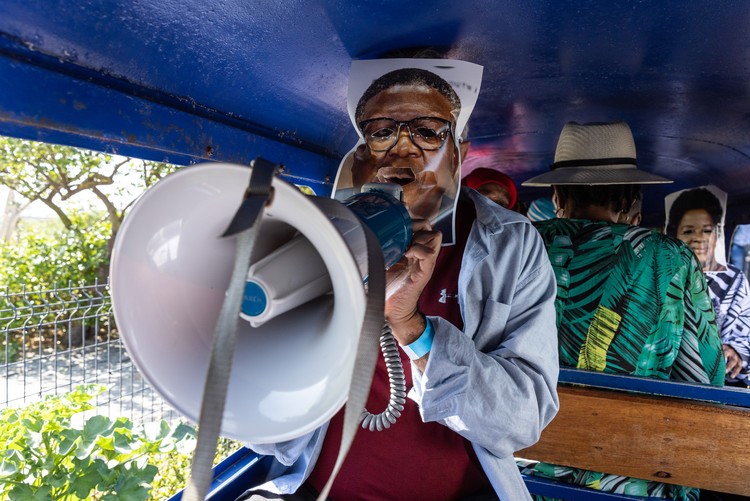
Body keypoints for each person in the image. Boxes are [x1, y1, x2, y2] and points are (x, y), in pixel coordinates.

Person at [240, 59, 560, 501]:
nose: (402, 150)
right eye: (381, 132)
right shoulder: (315, 235)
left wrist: (412, 328)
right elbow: (260, 430)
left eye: (428, 132)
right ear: (360, 154)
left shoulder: (510, 244)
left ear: (460, 151)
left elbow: (522, 422)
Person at [519, 121, 725, 500]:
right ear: (633, 198)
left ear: (555, 194)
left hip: (524, 471)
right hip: (630, 472)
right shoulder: (668, 257)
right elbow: (706, 376)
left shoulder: (519, 245)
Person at [665, 187, 750, 385]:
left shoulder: (733, 280)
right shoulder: (659, 274)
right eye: (688, 231)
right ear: (673, 234)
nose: (698, 238)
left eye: (707, 230)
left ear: (716, 234)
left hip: (719, 385)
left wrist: (735, 351)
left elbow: (746, 336)